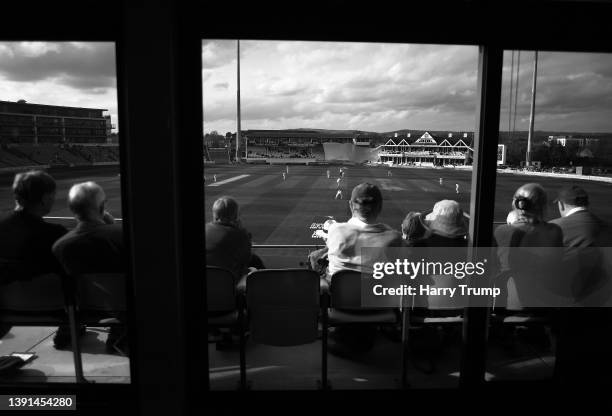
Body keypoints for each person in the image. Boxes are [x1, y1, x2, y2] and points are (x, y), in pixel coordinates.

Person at [325, 183, 403, 354]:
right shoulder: (394, 237)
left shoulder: (335, 230)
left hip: (342, 304)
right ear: (380, 206)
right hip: (378, 306)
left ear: (351, 205)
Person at [52, 182, 127, 353]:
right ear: (102, 207)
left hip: (79, 312)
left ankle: (68, 329)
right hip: (121, 308)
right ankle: (119, 333)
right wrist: (111, 227)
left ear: (72, 209)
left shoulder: (59, 246)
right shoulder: (123, 237)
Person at [548, 185, 612, 384]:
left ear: (561, 204)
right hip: (603, 307)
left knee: (567, 361)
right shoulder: (607, 228)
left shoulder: (554, 228)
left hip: (570, 306)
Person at [0, 170, 67, 340]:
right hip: (54, 309)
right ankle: (67, 331)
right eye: (52, 195)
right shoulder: (56, 234)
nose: (54, 199)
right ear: (45, 198)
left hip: (6, 310)